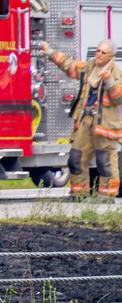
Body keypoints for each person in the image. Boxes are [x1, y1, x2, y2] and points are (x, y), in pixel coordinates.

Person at [41, 39, 122, 198]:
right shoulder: (90, 67)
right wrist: (50, 52)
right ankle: (79, 194)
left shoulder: (115, 73)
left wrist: (109, 82)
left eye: (103, 52)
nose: (98, 54)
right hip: (85, 121)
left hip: (104, 125)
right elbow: (69, 66)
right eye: (97, 51)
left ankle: (107, 196)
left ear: (111, 56)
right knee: (76, 158)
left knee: (105, 162)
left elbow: (119, 98)